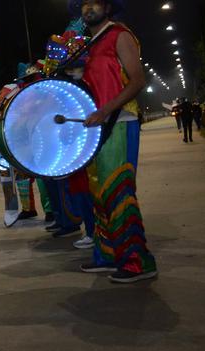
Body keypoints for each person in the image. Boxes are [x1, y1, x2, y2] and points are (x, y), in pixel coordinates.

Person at [72, 0, 157, 283]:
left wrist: (106, 110)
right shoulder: (89, 44)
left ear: (108, 7)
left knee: (118, 191)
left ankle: (138, 262)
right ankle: (108, 255)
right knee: (100, 193)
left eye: (95, 3)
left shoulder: (119, 34)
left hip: (120, 121)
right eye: (84, 3)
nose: (88, 8)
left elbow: (137, 80)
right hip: (96, 126)